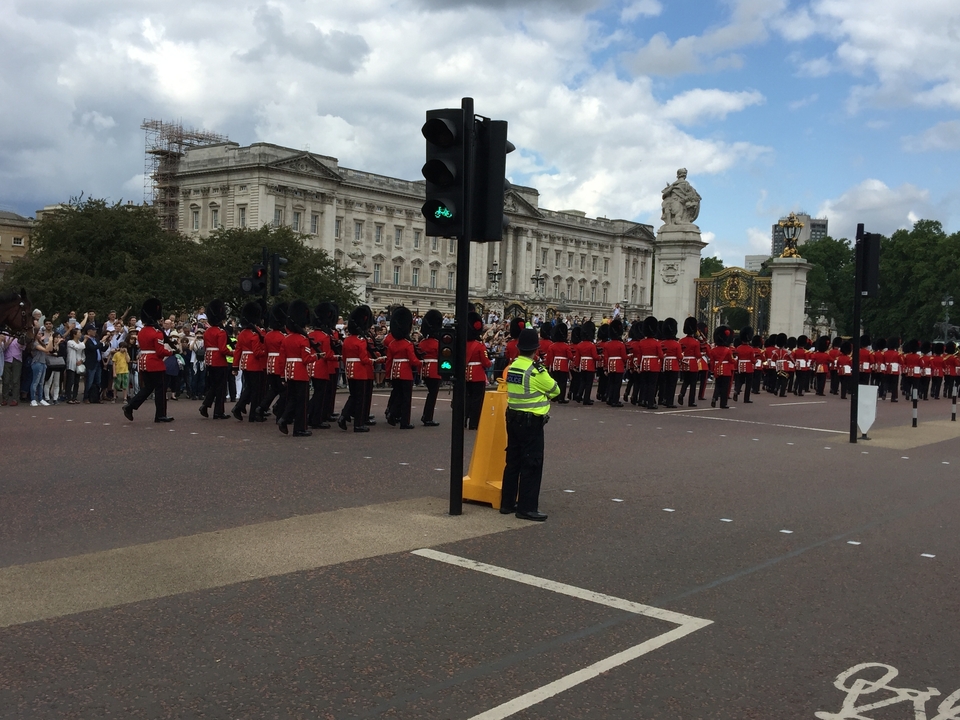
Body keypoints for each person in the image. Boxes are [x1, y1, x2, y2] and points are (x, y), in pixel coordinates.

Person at [500, 327, 560, 522]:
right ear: (536, 349)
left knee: (513, 462)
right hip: (531, 422)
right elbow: (555, 390)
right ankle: (527, 507)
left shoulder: (514, 366)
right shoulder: (536, 370)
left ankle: (507, 503)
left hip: (513, 417)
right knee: (532, 464)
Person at [123, 298, 174, 422]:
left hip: (144, 362)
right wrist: (171, 351)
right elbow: (160, 352)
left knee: (148, 387)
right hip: (154, 363)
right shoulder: (157, 332)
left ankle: (131, 405)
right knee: (160, 389)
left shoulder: (142, 332)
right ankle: (160, 415)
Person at [277, 300, 317, 437]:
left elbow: (281, 359)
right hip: (300, 372)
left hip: (289, 372)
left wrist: (283, 375)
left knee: (293, 399)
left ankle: (284, 419)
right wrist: (317, 356)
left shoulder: (286, 339)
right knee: (302, 402)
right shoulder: (302, 339)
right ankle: (299, 428)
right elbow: (306, 359)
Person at [199, 299, 230, 419]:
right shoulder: (221, 332)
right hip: (219, 361)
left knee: (214, 386)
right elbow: (223, 349)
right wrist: (233, 353)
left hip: (209, 360)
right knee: (221, 387)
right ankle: (218, 412)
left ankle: (206, 405)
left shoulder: (207, 331)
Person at [417, 309, 443, 426]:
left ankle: (426, 416)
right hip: (434, 370)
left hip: (424, 369)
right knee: (433, 394)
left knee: (430, 393)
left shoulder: (422, 342)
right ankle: (427, 417)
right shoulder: (437, 343)